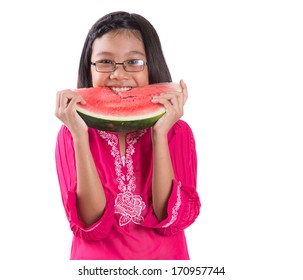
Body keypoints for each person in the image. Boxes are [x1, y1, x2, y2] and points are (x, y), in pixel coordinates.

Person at [55, 11, 201, 260]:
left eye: (134, 62)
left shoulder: (178, 131)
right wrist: (80, 137)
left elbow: (170, 217)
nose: (118, 75)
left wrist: (160, 134)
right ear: (89, 67)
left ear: (151, 65)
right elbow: (90, 223)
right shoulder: (71, 133)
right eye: (105, 62)